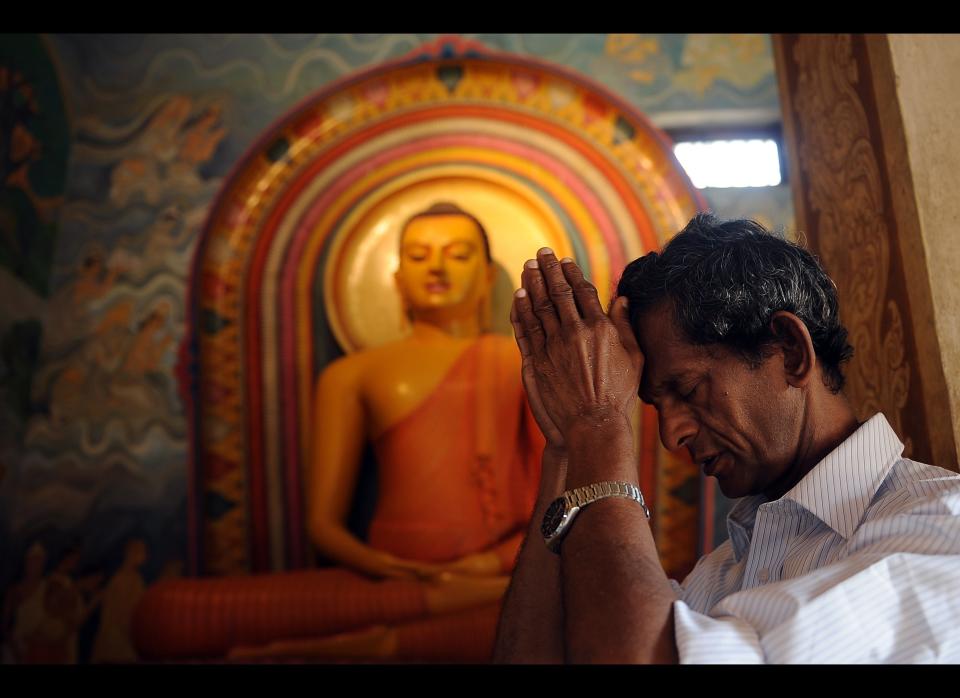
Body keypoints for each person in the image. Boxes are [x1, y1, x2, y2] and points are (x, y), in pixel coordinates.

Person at [494, 213, 960, 664]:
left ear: (791, 352)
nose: (672, 436)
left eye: (689, 390)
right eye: (656, 406)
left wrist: (598, 423)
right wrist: (565, 449)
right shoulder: (717, 575)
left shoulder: (938, 526)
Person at [133, 202, 543, 662]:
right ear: (396, 279)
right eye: (419, 255)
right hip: (388, 581)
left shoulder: (524, 366)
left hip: (502, 569)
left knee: (563, 608)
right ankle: (419, 625)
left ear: (488, 277)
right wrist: (389, 569)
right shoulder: (352, 375)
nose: (438, 266)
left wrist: (489, 564)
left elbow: (558, 497)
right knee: (164, 615)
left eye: (458, 253)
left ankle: (368, 648)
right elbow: (323, 526)